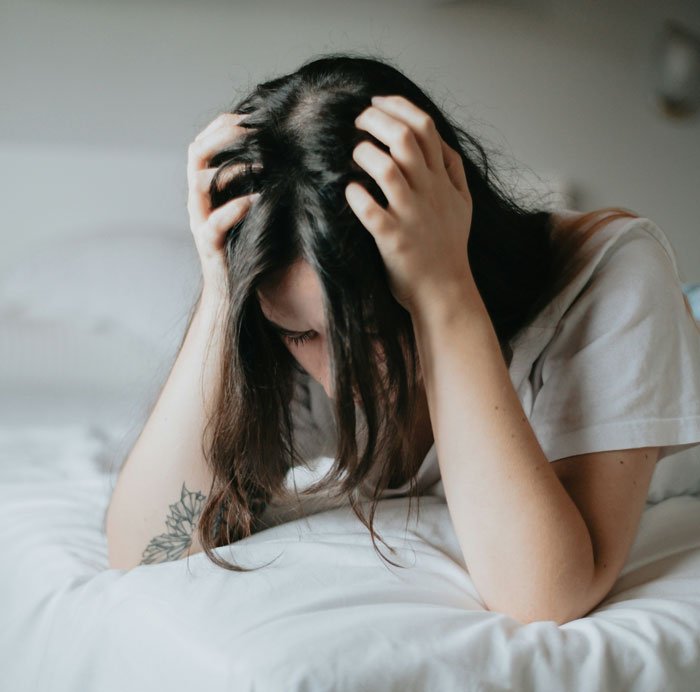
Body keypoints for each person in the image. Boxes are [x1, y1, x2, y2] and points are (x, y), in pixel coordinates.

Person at [105, 53, 700, 622]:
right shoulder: (274, 314)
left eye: (368, 330)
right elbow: (146, 549)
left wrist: (444, 290)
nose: (339, 377)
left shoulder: (614, 275)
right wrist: (220, 293)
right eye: (302, 334)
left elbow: (543, 594)